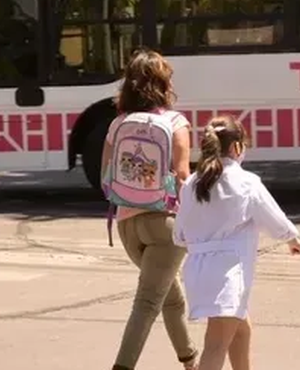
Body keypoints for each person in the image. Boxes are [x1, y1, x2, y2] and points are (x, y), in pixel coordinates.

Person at [172, 115, 300, 370]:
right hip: (229, 274)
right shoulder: (246, 182)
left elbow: (179, 234)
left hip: (198, 271)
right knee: (216, 345)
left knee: (240, 330)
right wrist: (291, 238)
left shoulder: (191, 183)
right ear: (237, 147)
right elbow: (272, 215)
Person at [103, 48, 199, 370]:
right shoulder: (175, 123)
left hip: (127, 225)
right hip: (165, 226)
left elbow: (106, 176)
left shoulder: (117, 124)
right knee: (147, 303)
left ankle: (190, 362)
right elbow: (183, 177)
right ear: (163, 84)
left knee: (171, 298)